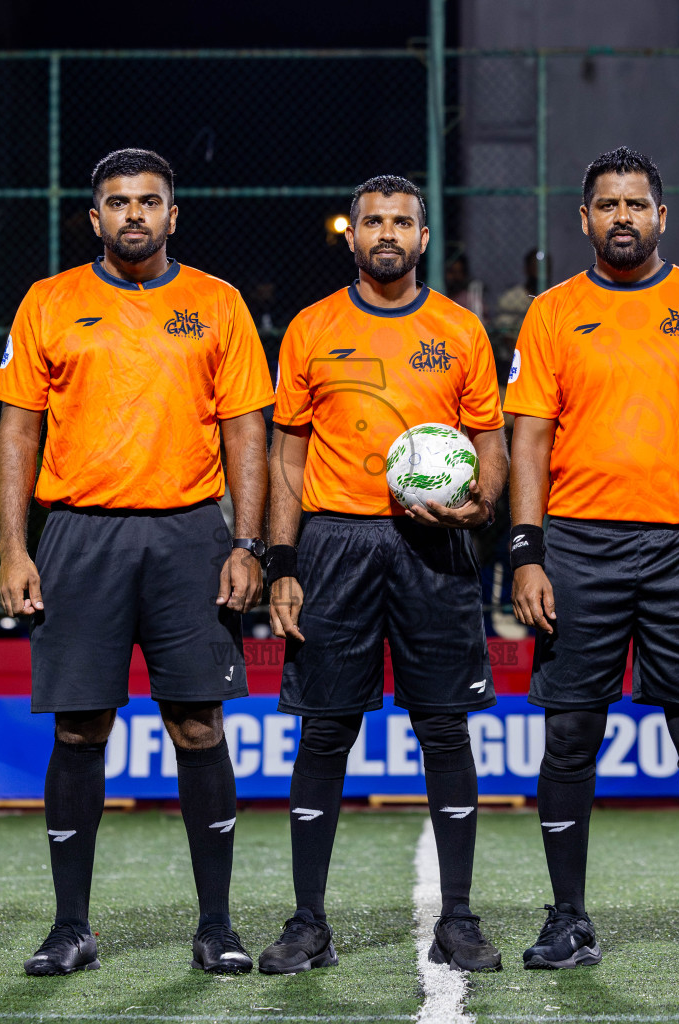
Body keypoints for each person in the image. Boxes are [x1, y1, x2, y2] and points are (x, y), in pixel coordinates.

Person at [0, 148, 271, 977]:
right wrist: (13, 546)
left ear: (173, 214)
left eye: (149, 201)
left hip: (191, 536)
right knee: (81, 726)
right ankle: (70, 926)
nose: (134, 214)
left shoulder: (218, 303)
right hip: (78, 535)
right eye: (118, 202)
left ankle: (216, 925)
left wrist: (247, 543)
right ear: (95, 218)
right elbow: (16, 430)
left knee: (198, 724)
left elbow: (247, 432)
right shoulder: (49, 302)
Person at [505, 147, 679, 973]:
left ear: (663, 216)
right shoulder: (552, 313)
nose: (622, 216)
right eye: (607, 205)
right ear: (583, 220)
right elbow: (530, 441)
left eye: (637, 204)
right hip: (579, 548)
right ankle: (567, 920)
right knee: (570, 735)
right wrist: (527, 553)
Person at [261, 175, 507, 975]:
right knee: (325, 729)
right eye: (373, 221)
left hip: (433, 548)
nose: (388, 233)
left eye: (403, 221)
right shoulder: (312, 327)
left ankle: (460, 920)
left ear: (424, 236)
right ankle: (307, 924)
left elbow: (491, 446)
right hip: (335, 544)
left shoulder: (460, 329)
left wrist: (482, 505)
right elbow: (287, 455)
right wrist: (284, 561)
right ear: (353, 235)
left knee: (445, 729)